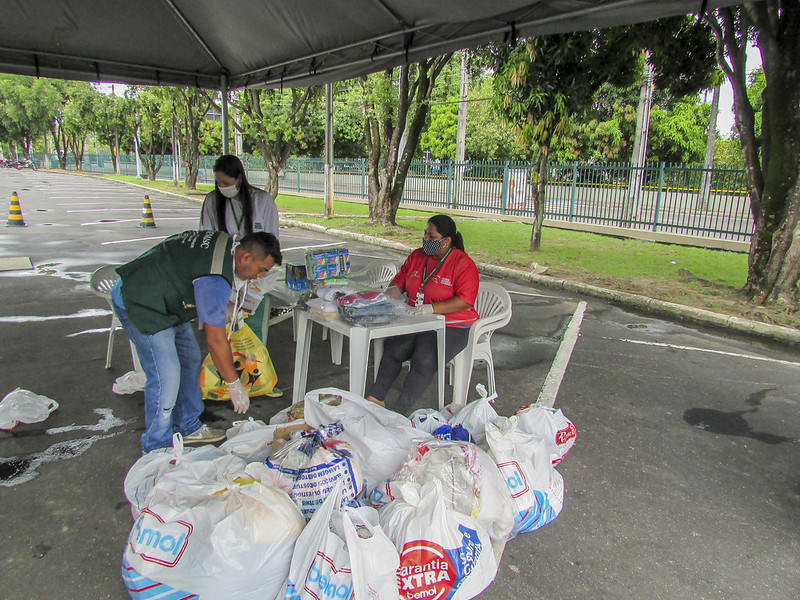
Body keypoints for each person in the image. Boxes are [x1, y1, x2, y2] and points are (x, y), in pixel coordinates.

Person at [110, 230, 283, 453]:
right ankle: (156, 446)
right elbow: (215, 338)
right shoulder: (215, 279)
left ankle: (188, 425)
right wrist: (233, 383)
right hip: (139, 299)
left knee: (190, 359)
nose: (259, 277)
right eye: (261, 270)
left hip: (168, 298)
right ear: (246, 257)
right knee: (166, 376)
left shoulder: (227, 243)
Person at [366, 215, 479, 414]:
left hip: (452, 324)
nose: (425, 240)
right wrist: (386, 299)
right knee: (394, 347)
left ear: (446, 241)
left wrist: (430, 309)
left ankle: (399, 411)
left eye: (431, 237)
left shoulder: (463, 264)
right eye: (425, 234)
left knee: (425, 356)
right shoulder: (417, 256)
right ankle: (375, 399)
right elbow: (399, 283)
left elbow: (465, 300)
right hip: (417, 320)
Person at [199, 154, 280, 348]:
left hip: (253, 279)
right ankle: (226, 369)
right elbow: (206, 237)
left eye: (226, 182)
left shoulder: (262, 201)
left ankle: (253, 369)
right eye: (218, 182)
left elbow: (273, 241)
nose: (222, 187)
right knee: (225, 328)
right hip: (225, 275)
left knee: (252, 328)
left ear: (240, 179)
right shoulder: (212, 201)